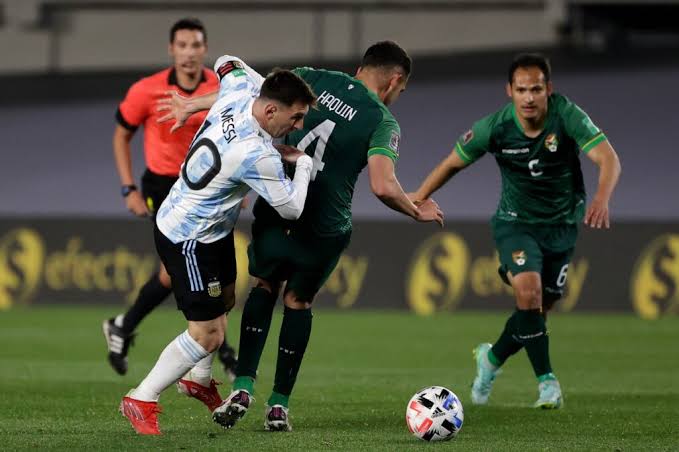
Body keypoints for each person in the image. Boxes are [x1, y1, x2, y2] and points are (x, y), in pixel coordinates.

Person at [157, 40, 444, 431]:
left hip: (278, 209)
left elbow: (260, 96)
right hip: (323, 227)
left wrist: (192, 104)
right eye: (401, 90)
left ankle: (242, 388)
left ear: (361, 68)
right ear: (394, 81)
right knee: (298, 301)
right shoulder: (382, 121)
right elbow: (383, 185)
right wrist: (414, 208)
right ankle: (279, 405)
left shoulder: (311, 79)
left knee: (264, 287)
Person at [119, 56, 318, 435]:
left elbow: (227, 62)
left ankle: (197, 379)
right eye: (295, 118)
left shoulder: (240, 90)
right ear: (271, 110)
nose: (298, 127)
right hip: (187, 237)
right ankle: (142, 398)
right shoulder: (257, 153)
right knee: (208, 333)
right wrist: (303, 163)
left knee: (225, 299)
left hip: (212, 231)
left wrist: (195, 103)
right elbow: (292, 208)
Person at [411, 53, 621, 409]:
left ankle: (490, 359)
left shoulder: (566, 115)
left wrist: (602, 198)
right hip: (515, 223)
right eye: (521, 90)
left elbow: (608, 158)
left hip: (562, 226)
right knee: (529, 291)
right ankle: (547, 384)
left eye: (536, 89)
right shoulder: (495, 127)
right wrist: (418, 197)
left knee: (537, 310)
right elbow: (452, 163)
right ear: (509, 91)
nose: (529, 97)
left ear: (548, 89)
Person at [101, 18, 238, 378]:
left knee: (204, 270)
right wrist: (128, 188)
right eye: (182, 45)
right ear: (171, 49)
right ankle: (222, 349)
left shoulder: (219, 87)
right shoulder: (146, 90)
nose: (189, 53)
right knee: (177, 269)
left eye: (195, 45)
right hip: (164, 187)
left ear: (205, 49)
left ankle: (123, 325)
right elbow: (121, 135)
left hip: (209, 188)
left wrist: (237, 188)